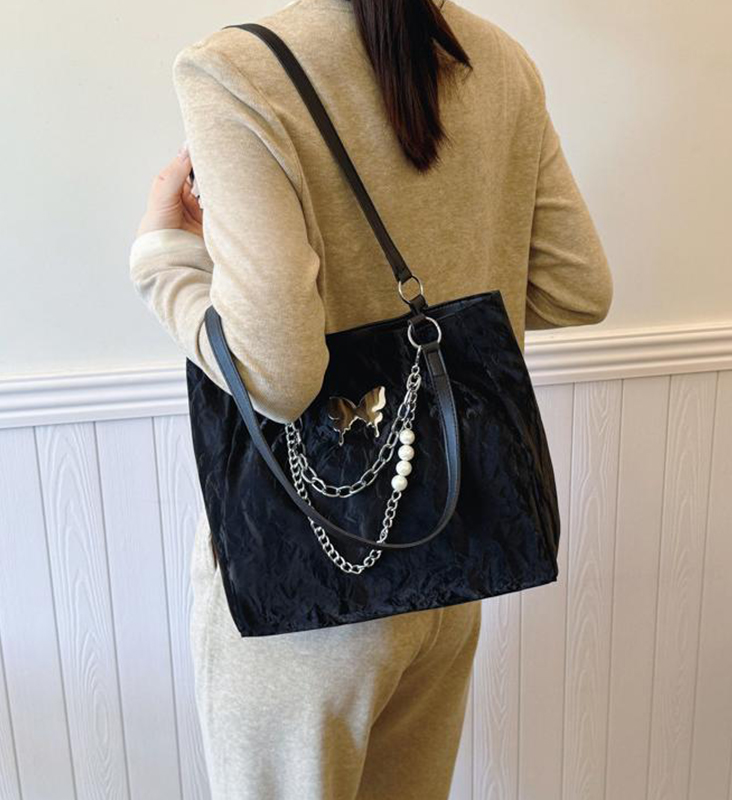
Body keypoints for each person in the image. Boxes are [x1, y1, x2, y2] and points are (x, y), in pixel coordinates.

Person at [128, 0, 613, 797]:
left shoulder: (235, 71)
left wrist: (165, 260)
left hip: (304, 595)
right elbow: (576, 287)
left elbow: (277, 379)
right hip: (448, 561)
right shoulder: (495, 59)